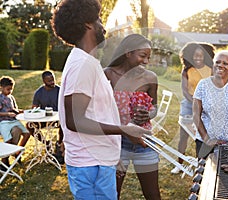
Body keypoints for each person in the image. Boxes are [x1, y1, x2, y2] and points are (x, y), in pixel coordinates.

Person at [51, 1, 151, 199]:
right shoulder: (83, 64)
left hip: (99, 160)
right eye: (98, 19)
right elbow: (75, 121)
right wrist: (124, 130)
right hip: (90, 165)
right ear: (88, 24)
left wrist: (112, 154)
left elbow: (97, 113)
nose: (102, 26)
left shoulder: (89, 62)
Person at [104, 34, 160, 200]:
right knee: (113, 194)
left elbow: (155, 107)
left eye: (148, 57)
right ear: (128, 52)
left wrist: (148, 114)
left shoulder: (150, 78)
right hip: (117, 142)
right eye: (142, 56)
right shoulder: (108, 75)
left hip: (144, 141)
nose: (146, 61)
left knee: (153, 195)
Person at [171, 42, 215, 174]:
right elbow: (185, 91)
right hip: (189, 105)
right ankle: (179, 165)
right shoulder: (186, 71)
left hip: (207, 105)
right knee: (183, 136)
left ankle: (201, 165)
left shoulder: (211, 69)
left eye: (201, 56)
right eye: (195, 56)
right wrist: (196, 103)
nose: (198, 58)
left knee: (202, 136)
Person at [26, 71, 64, 164]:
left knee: (64, 124)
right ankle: (46, 143)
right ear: (44, 81)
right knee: (29, 125)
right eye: (49, 81)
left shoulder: (60, 90)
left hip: (58, 119)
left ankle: (59, 144)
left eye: (53, 80)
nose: (52, 82)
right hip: (43, 119)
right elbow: (34, 108)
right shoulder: (39, 93)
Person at [0, 76, 30, 169]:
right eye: (8, 89)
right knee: (8, 140)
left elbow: (14, 109)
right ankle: (5, 159)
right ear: (1, 87)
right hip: (4, 122)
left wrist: (21, 111)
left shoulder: (11, 97)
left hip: (14, 120)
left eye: (11, 89)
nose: (10, 91)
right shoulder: (0, 98)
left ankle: (17, 152)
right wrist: (8, 114)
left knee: (27, 134)